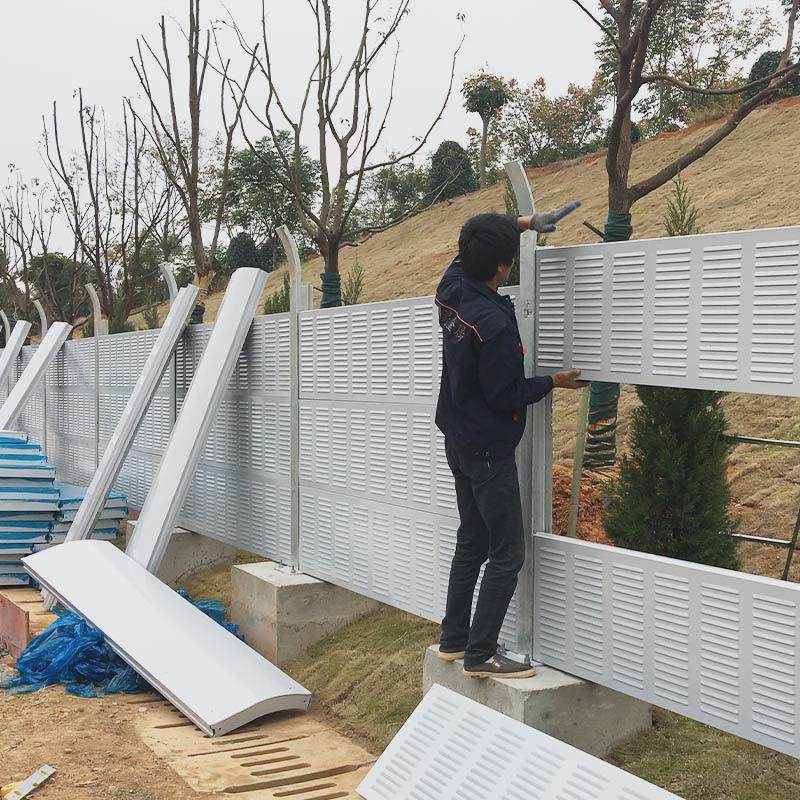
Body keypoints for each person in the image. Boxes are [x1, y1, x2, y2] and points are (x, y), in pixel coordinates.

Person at [435, 207, 588, 678]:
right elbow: (505, 395)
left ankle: (454, 639)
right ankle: (481, 654)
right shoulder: (495, 326)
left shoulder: (452, 292)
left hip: (458, 439)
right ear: (503, 267)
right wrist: (552, 382)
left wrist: (520, 224)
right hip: (485, 449)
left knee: (472, 539)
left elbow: (469, 240)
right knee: (507, 553)